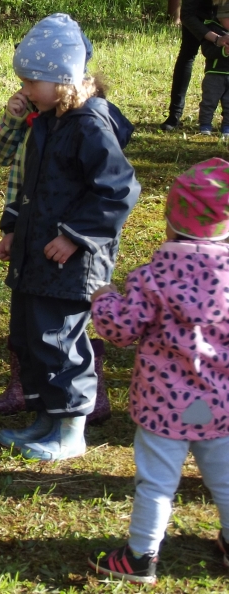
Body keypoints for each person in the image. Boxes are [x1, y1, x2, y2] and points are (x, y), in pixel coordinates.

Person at [0, 14, 140, 461]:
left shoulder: (89, 125)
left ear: (62, 78)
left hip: (72, 262)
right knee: (31, 336)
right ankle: (46, 418)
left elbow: (118, 189)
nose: (24, 89)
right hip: (37, 254)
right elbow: (31, 184)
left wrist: (76, 237)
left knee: (59, 340)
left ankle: (71, 428)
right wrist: (13, 228)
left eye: (31, 81)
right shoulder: (48, 119)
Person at [88, 158, 229, 584]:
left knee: (155, 484)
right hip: (219, 405)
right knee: (226, 481)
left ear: (170, 222)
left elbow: (119, 329)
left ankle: (139, 558)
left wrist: (103, 297)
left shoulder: (152, 278)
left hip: (163, 406)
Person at [162, 0, 229, 131]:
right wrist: (215, 38)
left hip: (222, 5)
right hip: (198, 8)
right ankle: (174, 115)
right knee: (188, 53)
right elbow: (187, 14)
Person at [198, 0, 229, 135]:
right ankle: (205, 124)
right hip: (214, 73)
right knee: (209, 101)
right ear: (220, 17)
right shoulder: (212, 30)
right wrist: (223, 51)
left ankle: (227, 126)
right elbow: (207, 51)